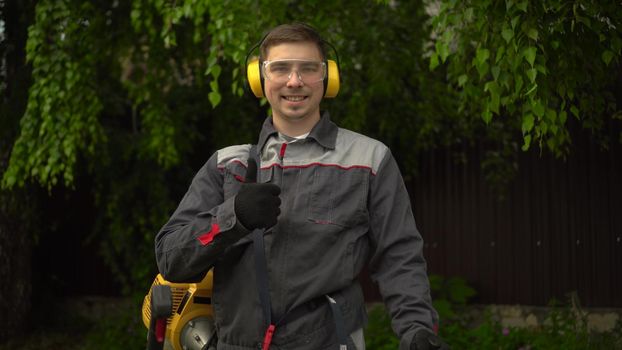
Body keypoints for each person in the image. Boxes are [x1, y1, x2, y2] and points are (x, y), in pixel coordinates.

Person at [155, 23, 448, 350]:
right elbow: (170, 259)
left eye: (308, 69)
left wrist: (416, 330)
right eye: (280, 68)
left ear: (328, 78)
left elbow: (399, 257)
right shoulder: (228, 165)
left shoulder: (369, 160)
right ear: (260, 78)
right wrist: (232, 216)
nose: (294, 81)